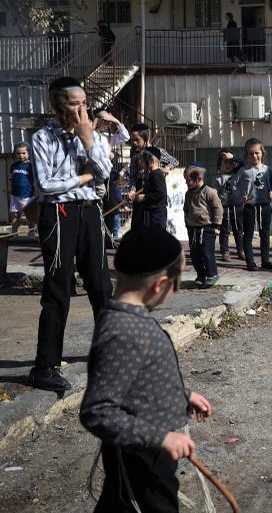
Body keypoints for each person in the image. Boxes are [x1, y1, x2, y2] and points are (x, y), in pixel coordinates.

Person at [79, 226, 213, 513]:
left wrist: (183, 395)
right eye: (178, 284)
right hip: (142, 456)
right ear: (160, 285)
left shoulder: (130, 320)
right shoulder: (124, 332)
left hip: (141, 448)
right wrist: (160, 438)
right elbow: (97, 411)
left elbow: (138, 380)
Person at [28, 77, 112, 392]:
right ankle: (45, 366)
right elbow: (45, 185)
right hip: (59, 214)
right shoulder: (42, 138)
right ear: (56, 105)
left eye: (84, 103)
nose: (80, 110)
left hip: (89, 211)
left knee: (101, 285)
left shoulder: (91, 135)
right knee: (58, 289)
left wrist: (88, 140)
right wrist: (83, 177)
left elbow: (105, 172)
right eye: (73, 103)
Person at [127, 123, 178, 231]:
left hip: (153, 189)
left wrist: (167, 168)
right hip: (140, 188)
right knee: (137, 224)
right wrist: (132, 190)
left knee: (153, 226)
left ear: (145, 138)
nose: (135, 143)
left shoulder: (156, 152)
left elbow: (174, 161)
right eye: (133, 140)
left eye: (137, 140)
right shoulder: (135, 154)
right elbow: (133, 176)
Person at [238, 137, 272, 271]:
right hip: (250, 207)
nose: (254, 156)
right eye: (251, 153)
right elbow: (232, 185)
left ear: (262, 153)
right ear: (246, 155)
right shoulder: (244, 170)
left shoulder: (268, 169)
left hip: (265, 206)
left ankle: (265, 260)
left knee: (264, 234)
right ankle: (250, 262)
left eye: (257, 152)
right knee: (248, 234)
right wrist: (241, 195)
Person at [184, 163, 223, 288]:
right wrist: (187, 222)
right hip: (193, 228)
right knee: (195, 254)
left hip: (207, 228)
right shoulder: (188, 193)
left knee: (207, 252)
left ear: (198, 178)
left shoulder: (209, 192)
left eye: (188, 180)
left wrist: (217, 226)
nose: (187, 183)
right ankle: (201, 275)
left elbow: (218, 208)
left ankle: (212, 274)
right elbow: (186, 208)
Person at [211, 150, 243, 261]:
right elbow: (214, 193)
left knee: (238, 231)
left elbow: (243, 164)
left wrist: (234, 158)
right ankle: (225, 251)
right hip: (224, 209)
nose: (229, 165)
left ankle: (241, 251)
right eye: (226, 162)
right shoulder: (217, 179)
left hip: (237, 207)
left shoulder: (237, 175)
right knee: (224, 232)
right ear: (219, 165)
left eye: (231, 162)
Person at [132, 150, 167, 229]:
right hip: (153, 211)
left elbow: (160, 194)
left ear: (151, 161)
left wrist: (144, 197)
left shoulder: (156, 175)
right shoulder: (152, 174)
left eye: (143, 161)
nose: (141, 164)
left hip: (158, 213)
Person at [9, 142, 35, 236]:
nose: (21, 155)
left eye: (23, 153)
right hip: (14, 195)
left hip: (26, 195)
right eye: (18, 153)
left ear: (28, 154)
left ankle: (32, 233)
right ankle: (14, 234)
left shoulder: (30, 166)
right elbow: (12, 179)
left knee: (29, 216)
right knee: (14, 215)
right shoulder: (13, 166)